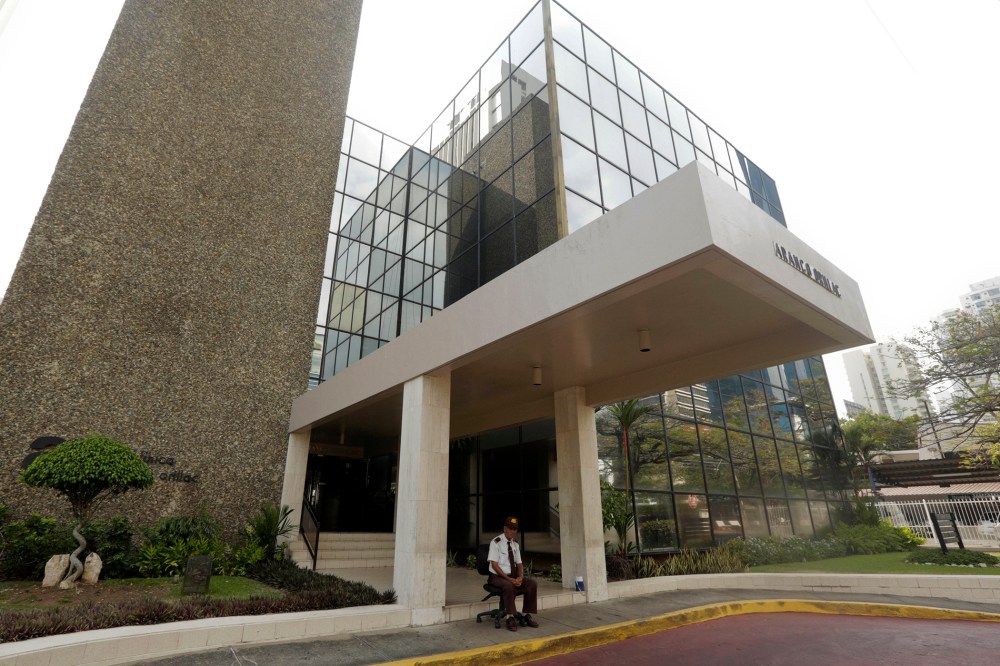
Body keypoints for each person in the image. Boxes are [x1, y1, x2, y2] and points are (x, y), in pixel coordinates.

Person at [487, 516, 539, 631]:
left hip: (512, 576)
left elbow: (519, 564)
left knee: (531, 584)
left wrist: (520, 577)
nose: (512, 531)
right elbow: (495, 566)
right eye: (510, 528)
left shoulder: (515, 544)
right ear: (505, 528)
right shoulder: (496, 543)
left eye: (515, 529)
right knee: (508, 585)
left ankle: (526, 615)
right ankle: (510, 617)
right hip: (496, 576)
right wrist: (509, 579)